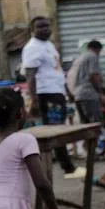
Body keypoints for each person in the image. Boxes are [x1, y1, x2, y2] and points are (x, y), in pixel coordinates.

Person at [21, 17, 76, 174]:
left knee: (59, 128)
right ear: (32, 30)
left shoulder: (48, 45)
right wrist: (34, 100)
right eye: (40, 27)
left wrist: (67, 90)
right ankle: (67, 167)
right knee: (55, 130)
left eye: (47, 25)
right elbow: (30, 76)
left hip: (57, 92)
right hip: (46, 94)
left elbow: (56, 70)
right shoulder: (32, 47)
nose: (45, 29)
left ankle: (64, 164)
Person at [69, 40, 104, 125]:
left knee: (85, 126)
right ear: (98, 49)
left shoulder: (79, 58)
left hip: (78, 95)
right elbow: (93, 76)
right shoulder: (93, 56)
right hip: (89, 95)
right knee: (95, 124)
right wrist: (100, 93)